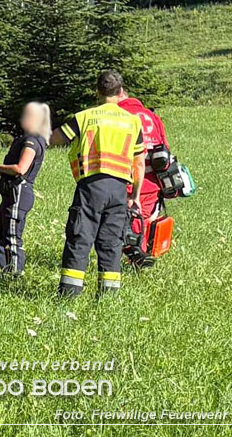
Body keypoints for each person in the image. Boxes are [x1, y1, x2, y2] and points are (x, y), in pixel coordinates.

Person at [50, 71, 146, 296]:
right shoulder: (133, 122)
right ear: (121, 92)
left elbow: (55, 139)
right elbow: (139, 163)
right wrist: (135, 197)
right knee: (112, 243)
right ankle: (108, 297)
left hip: (91, 187)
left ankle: (69, 295)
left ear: (97, 92)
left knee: (80, 237)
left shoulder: (84, 117)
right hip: (119, 190)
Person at [0, 102, 51, 275]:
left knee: (11, 238)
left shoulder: (32, 141)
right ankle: (2, 272)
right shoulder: (26, 138)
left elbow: (21, 169)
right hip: (10, 194)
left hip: (19, 193)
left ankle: (15, 275)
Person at [117, 88, 170, 225]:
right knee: (145, 228)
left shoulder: (118, 116)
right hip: (152, 185)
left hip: (126, 187)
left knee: (126, 233)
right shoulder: (153, 117)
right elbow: (166, 150)